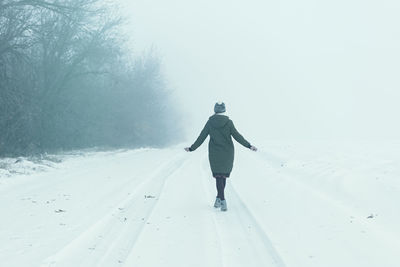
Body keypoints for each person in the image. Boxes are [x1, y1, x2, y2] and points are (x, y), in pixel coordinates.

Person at [184, 102, 257, 211]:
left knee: (218, 176)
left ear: (215, 110)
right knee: (222, 176)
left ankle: (221, 199)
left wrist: (192, 148)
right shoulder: (228, 122)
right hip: (227, 153)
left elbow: (202, 137)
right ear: (224, 110)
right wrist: (249, 146)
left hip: (215, 153)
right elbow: (237, 136)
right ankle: (221, 199)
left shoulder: (210, 122)